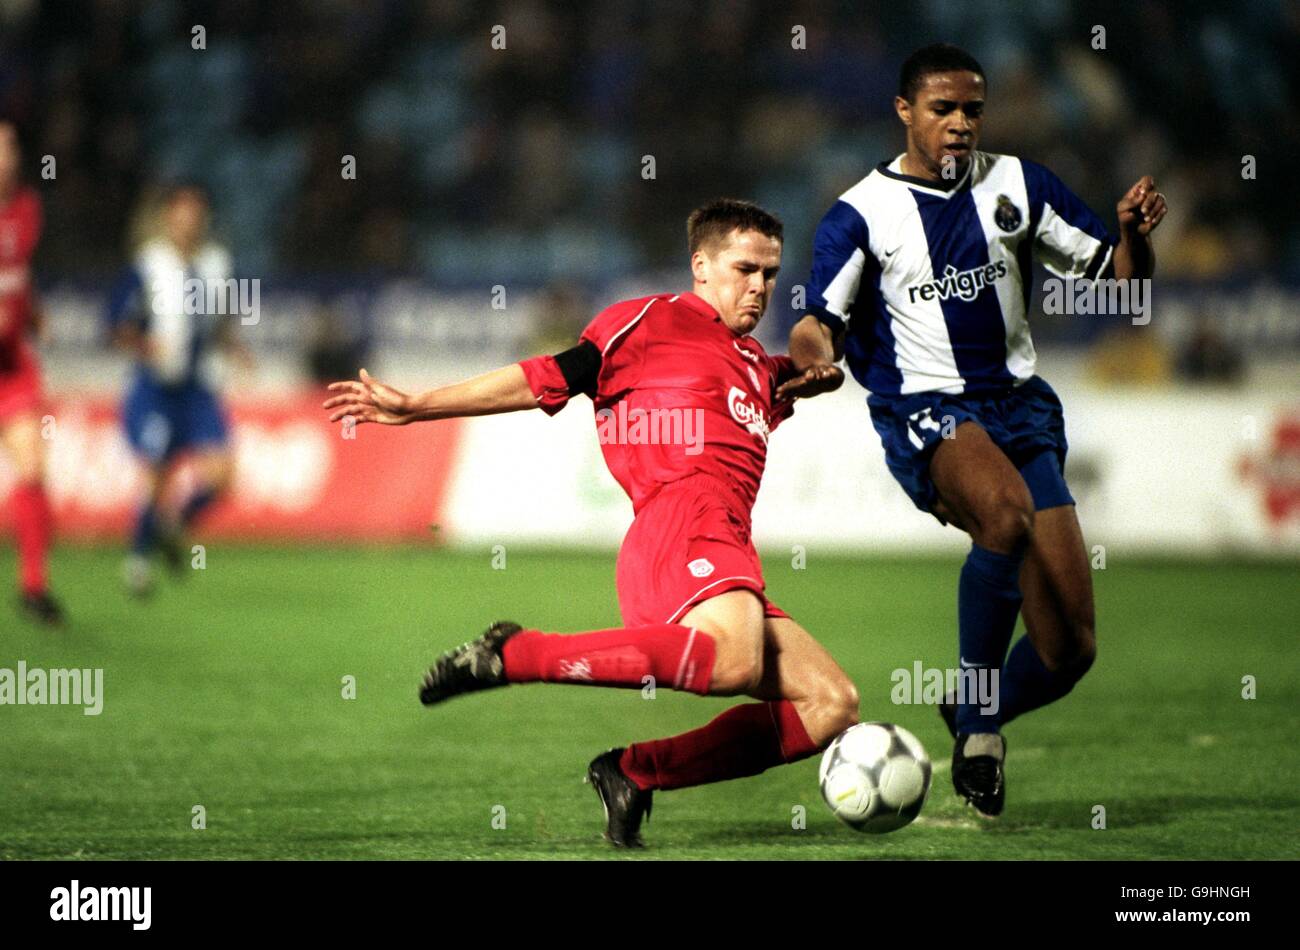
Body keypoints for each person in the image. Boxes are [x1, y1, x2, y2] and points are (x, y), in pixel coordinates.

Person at [324, 198, 854, 847]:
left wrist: (815, 372)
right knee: (736, 664)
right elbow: (550, 375)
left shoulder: (751, 363)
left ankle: (634, 772)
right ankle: (514, 654)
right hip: (678, 522)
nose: (760, 287)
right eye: (745, 269)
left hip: (727, 539)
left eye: (771, 274)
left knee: (830, 705)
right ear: (701, 266)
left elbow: (806, 357)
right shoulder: (650, 322)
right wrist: (420, 405)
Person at [790, 44, 1167, 816]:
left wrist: (1135, 235)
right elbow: (814, 322)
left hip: (1019, 407)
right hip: (925, 409)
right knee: (1003, 512)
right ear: (905, 112)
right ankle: (982, 725)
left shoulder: (1019, 184)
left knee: (1070, 651)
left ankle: (965, 711)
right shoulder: (860, 212)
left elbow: (1120, 284)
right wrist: (816, 361)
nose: (961, 124)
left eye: (973, 110)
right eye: (943, 110)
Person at [107, 184, 248, 596]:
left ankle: (176, 523)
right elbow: (116, 323)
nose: (189, 221)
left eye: (196, 212)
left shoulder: (218, 264)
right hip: (157, 388)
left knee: (223, 476)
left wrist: (235, 349)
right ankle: (137, 563)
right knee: (157, 473)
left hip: (198, 389)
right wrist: (143, 344)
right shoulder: (149, 265)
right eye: (182, 212)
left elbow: (220, 322)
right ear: (169, 216)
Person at [0, 119, 62, 624]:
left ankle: (33, 586)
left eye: (11, 145)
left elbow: (20, 272)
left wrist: (34, 312)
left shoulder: (27, 209)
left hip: (12, 365)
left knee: (34, 469)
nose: (7, 155)